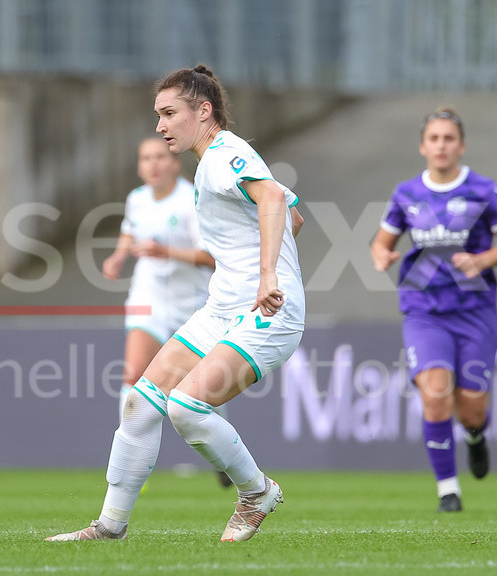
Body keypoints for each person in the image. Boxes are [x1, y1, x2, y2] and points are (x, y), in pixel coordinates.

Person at [48, 64, 305, 542]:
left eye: (169, 114)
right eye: (158, 115)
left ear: (203, 111)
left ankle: (256, 492)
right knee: (141, 403)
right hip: (222, 309)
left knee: (186, 407)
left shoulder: (224, 154)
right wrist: (261, 257)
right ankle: (110, 526)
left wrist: (270, 275)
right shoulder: (214, 161)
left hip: (267, 314)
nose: (160, 125)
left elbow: (273, 200)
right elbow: (294, 218)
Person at [370, 107, 497, 512]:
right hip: (424, 310)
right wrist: (382, 256)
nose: (441, 145)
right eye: (434, 138)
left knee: (471, 408)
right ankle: (448, 491)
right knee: (436, 392)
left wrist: (481, 260)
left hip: (474, 311)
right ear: (423, 146)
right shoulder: (406, 193)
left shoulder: (483, 190)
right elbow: (381, 242)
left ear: (461, 145)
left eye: (449, 138)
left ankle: (475, 435)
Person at [103, 137, 232, 488]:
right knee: (133, 376)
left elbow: (211, 257)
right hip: (148, 300)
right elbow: (129, 231)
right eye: (146, 158)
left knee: (205, 389)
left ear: (174, 163)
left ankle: (223, 456)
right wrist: (118, 257)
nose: (153, 164)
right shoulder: (136, 199)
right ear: (139, 166)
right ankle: (128, 468)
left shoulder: (192, 199)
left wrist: (167, 252)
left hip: (192, 306)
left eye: (160, 156)